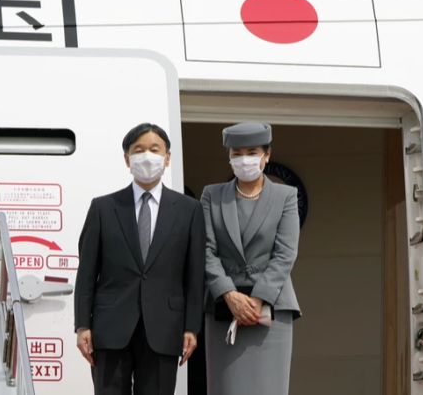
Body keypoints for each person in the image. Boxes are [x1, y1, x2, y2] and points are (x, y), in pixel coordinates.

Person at [74, 122, 205, 395]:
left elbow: (194, 275)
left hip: (165, 328)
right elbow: (87, 271)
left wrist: (191, 327)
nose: (147, 156)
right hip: (110, 329)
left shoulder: (189, 210)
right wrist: (82, 324)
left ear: (167, 158)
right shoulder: (103, 207)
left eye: (155, 149)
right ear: (127, 159)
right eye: (139, 150)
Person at [201, 122, 301, 395]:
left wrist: (258, 298)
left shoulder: (286, 196)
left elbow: (285, 253)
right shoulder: (212, 196)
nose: (244, 159)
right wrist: (229, 294)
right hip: (224, 311)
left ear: (267, 155)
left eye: (252, 152)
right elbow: (205, 250)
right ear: (229, 157)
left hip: (271, 311)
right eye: (237, 153)